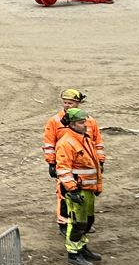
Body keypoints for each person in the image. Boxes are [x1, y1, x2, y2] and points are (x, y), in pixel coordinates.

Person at [43, 88, 105, 231]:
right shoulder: (55, 121)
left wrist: (100, 161)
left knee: (85, 198)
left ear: (78, 103)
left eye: (70, 103)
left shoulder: (88, 121)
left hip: (85, 167)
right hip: (65, 163)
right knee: (64, 194)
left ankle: (82, 223)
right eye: (65, 102)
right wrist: (51, 162)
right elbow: (49, 143)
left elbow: (98, 142)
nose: (67, 105)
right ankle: (64, 222)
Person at [54, 108, 104, 265]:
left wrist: (97, 185)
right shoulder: (66, 143)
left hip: (88, 188)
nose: (86, 125)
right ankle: (73, 254)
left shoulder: (84, 138)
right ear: (73, 124)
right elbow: (63, 169)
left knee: (88, 221)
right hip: (78, 189)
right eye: (82, 122)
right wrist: (72, 190)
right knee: (77, 223)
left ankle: (82, 247)